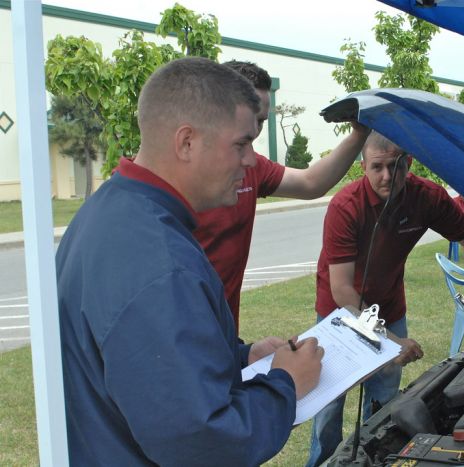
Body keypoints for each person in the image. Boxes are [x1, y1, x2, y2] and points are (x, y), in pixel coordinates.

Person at [56, 57, 324, 466]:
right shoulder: (161, 264)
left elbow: (140, 366)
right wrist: (285, 383)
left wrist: (239, 356)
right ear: (186, 142)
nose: (251, 161)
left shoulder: (110, 210)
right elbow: (203, 442)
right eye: (241, 143)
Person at [306, 131, 464, 467]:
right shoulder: (345, 207)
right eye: (377, 167)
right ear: (363, 166)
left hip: (388, 307)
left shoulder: (427, 197)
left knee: (383, 401)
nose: (387, 176)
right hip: (339, 315)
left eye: (395, 165)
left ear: (410, 162)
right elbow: (343, 290)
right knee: (329, 407)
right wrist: (391, 341)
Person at [194, 61, 370, 333]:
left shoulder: (252, 166)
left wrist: (359, 134)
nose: (255, 131)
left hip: (223, 333)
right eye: (250, 119)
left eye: (262, 120)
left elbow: (311, 183)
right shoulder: (165, 185)